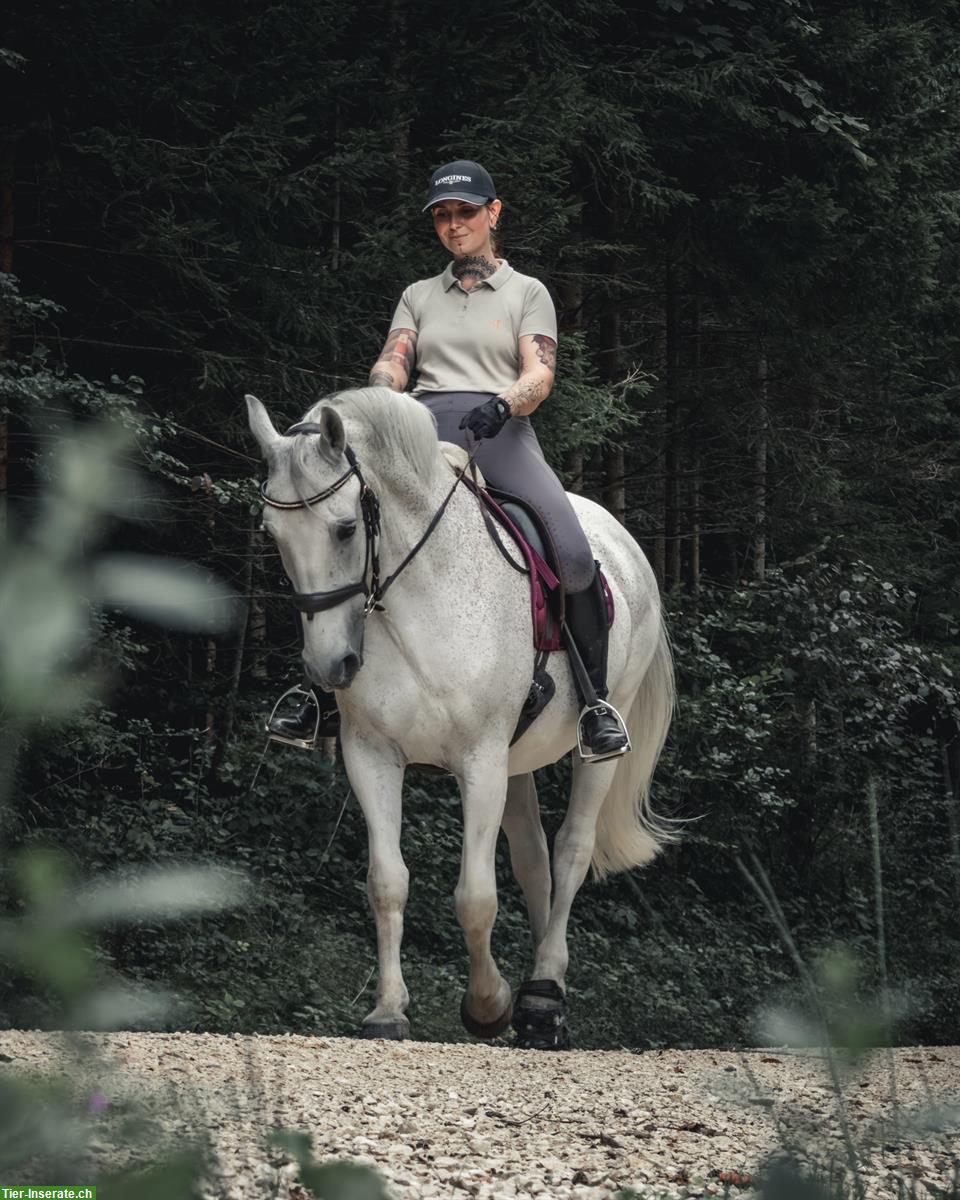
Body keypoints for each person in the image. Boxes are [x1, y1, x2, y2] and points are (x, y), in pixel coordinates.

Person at [267, 159, 629, 760]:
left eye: (465, 212)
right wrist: (383, 391)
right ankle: (315, 697)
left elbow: (540, 372)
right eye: (443, 215)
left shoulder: (525, 292)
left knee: (568, 550)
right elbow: (395, 357)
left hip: (499, 430)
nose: (454, 225)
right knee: (333, 534)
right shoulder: (418, 295)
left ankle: (595, 704)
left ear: (493, 213)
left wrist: (504, 404)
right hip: (416, 429)